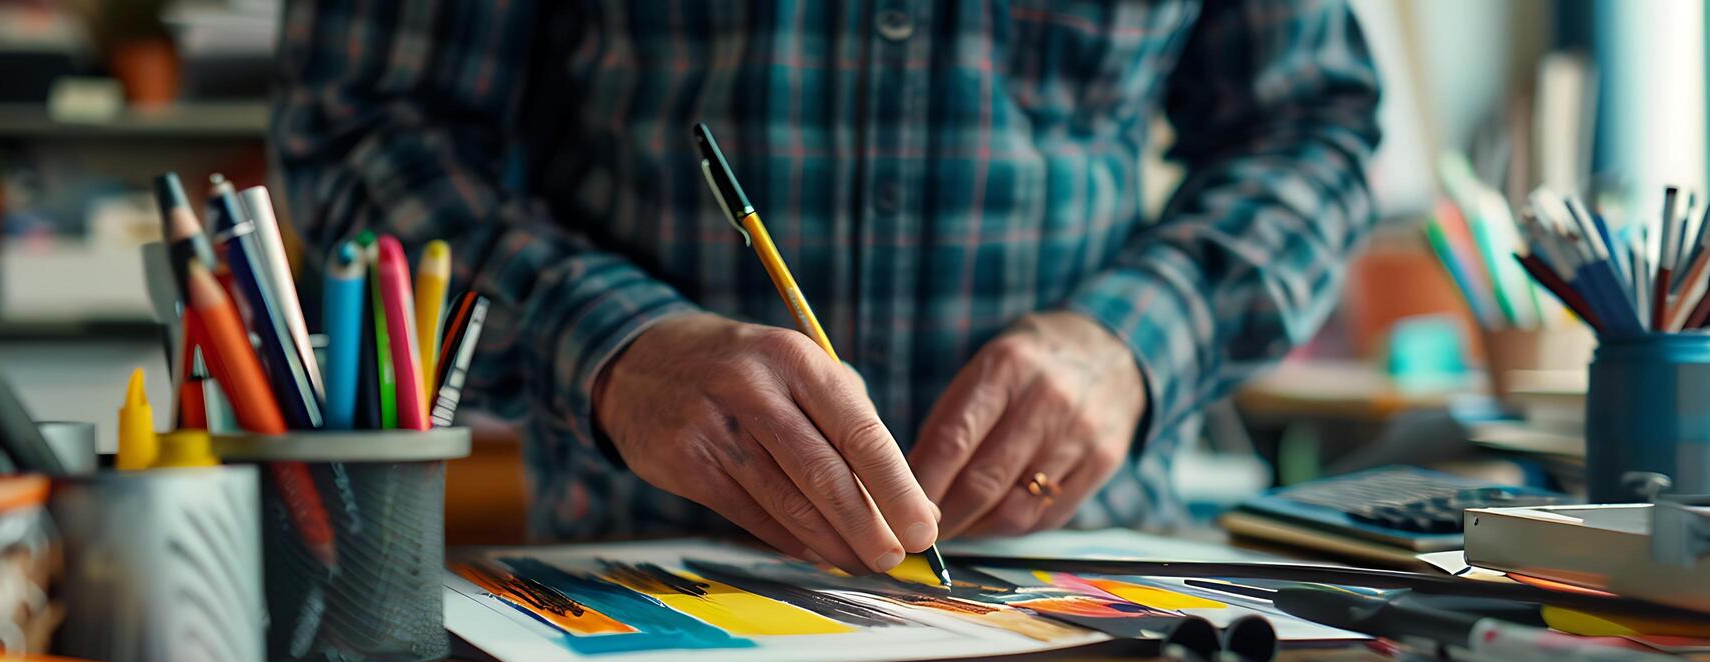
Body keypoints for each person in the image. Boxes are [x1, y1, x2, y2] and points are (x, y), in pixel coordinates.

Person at [273, 0, 1380, 575]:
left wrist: (1135, 339)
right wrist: (608, 345)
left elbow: (1310, 127)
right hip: (646, 589)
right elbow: (368, 125)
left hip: (1077, 592)